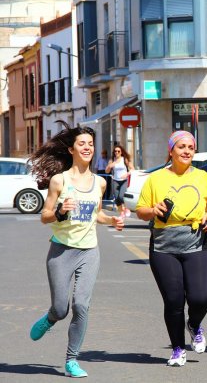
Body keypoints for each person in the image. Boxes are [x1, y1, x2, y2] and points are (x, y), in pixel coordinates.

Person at [28, 121, 124, 378]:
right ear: (71, 149)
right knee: (62, 308)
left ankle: (72, 360)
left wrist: (112, 220)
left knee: (81, 305)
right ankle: (50, 318)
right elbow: (45, 215)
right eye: (82, 143)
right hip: (61, 251)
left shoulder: (99, 183)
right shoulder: (59, 181)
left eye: (91, 144)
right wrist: (60, 212)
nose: (87, 147)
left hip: (89, 251)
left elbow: (98, 215)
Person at [136, 130, 207, 367]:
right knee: (173, 301)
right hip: (164, 247)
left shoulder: (203, 177)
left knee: (200, 297)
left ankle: (194, 324)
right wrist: (153, 211)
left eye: (190, 147)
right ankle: (178, 348)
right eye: (181, 147)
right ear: (171, 150)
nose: (186, 151)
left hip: (196, 242)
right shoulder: (156, 179)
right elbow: (141, 210)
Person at [105, 145, 134, 216]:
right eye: (115, 151)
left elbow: (133, 169)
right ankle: (121, 212)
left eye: (118, 151)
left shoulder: (124, 159)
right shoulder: (112, 160)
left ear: (121, 152)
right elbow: (107, 171)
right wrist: (110, 166)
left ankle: (126, 208)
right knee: (117, 198)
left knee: (121, 196)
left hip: (124, 180)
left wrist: (126, 174)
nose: (117, 152)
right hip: (115, 180)